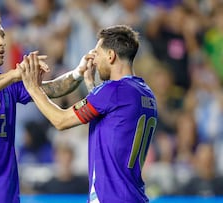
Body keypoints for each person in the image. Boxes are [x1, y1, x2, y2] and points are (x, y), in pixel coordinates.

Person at [0, 12, 92, 203]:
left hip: (6, 192)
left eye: (3, 36)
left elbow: (52, 89)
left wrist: (79, 72)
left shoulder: (9, 84)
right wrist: (13, 75)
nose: (2, 42)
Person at [20, 25, 158, 202]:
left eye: (97, 54)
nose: (94, 60)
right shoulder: (146, 93)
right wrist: (92, 87)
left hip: (110, 197)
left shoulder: (113, 91)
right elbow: (113, 120)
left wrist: (33, 87)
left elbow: (60, 120)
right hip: (134, 195)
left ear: (111, 56)